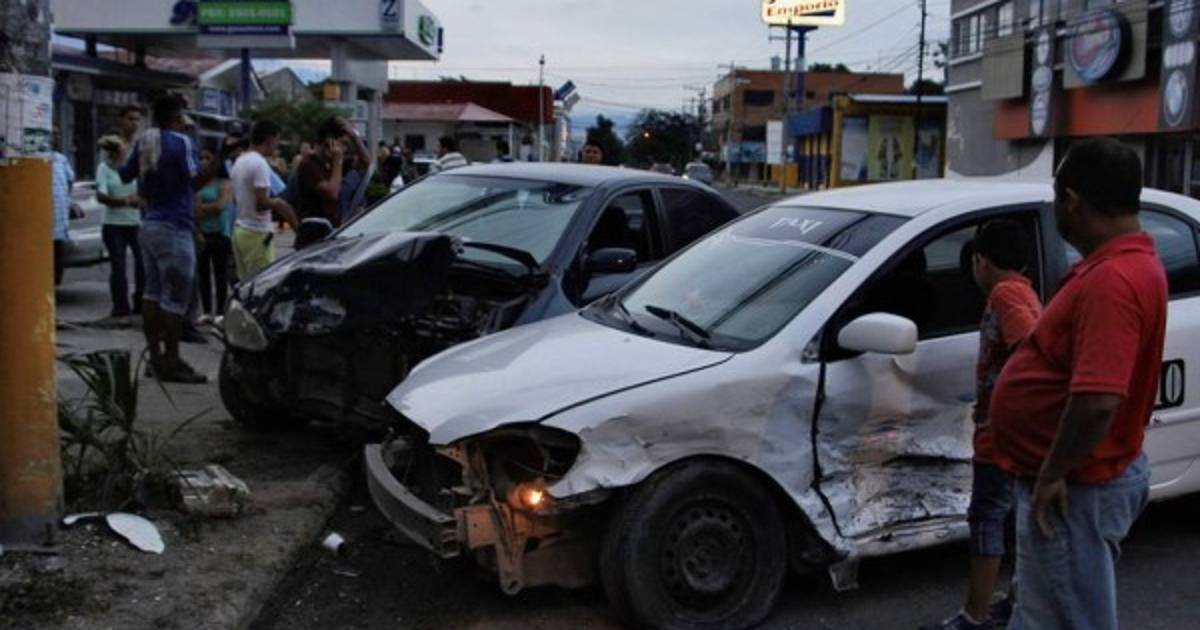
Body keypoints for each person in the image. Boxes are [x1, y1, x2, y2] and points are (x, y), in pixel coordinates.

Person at [991, 137, 1167, 630]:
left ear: (1072, 200)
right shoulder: (1121, 266)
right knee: (1037, 616)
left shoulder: (1113, 280)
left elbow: (1097, 401)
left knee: (1075, 619)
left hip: (1075, 489)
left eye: (1056, 199)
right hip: (1071, 482)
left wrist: (1052, 473)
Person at [922, 220, 1042, 630]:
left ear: (981, 262)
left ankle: (976, 615)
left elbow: (1028, 347)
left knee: (987, 518)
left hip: (1000, 436)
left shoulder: (1005, 294)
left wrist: (1007, 403)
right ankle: (1016, 602)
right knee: (1014, 520)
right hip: (1016, 435)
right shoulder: (1025, 290)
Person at [118, 94, 214, 383]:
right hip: (175, 225)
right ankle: (172, 361)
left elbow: (125, 175)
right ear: (177, 116)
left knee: (152, 293)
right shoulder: (181, 143)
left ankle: (155, 357)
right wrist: (215, 163)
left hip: (150, 223)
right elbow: (194, 179)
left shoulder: (145, 141)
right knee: (174, 299)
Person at [231, 120, 298, 278]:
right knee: (261, 283)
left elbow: (235, 199)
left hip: (240, 230)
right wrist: (279, 204)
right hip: (257, 234)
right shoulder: (259, 163)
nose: (277, 145)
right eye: (277, 140)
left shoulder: (239, 161)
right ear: (269, 139)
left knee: (246, 283)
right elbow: (261, 203)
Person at [95, 135, 145, 317]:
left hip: (135, 222)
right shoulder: (104, 168)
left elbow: (144, 189)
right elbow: (101, 196)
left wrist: (139, 200)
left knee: (142, 263)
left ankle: (140, 302)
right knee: (118, 265)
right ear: (117, 151)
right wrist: (124, 201)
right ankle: (120, 306)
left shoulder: (133, 167)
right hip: (113, 223)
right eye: (124, 148)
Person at [296, 116, 370, 225]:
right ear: (329, 140)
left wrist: (354, 137)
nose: (343, 149)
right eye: (341, 144)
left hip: (334, 224)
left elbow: (366, 162)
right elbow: (332, 193)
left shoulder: (333, 162)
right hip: (315, 226)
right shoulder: (308, 164)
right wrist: (337, 161)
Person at [195, 148, 234, 319]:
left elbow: (220, 206)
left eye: (208, 158)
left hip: (220, 234)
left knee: (220, 274)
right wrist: (203, 210)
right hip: (202, 233)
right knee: (203, 274)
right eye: (201, 158)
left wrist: (202, 208)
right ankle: (205, 311)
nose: (203, 161)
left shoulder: (224, 182)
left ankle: (219, 312)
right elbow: (193, 209)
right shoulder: (198, 183)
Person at [51, 140, 75, 286]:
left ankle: (54, 279)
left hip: (55, 209)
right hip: (58, 210)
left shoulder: (60, 159)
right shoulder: (61, 159)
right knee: (57, 246)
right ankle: (56, 279)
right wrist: (67, 198)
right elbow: (70, 179)